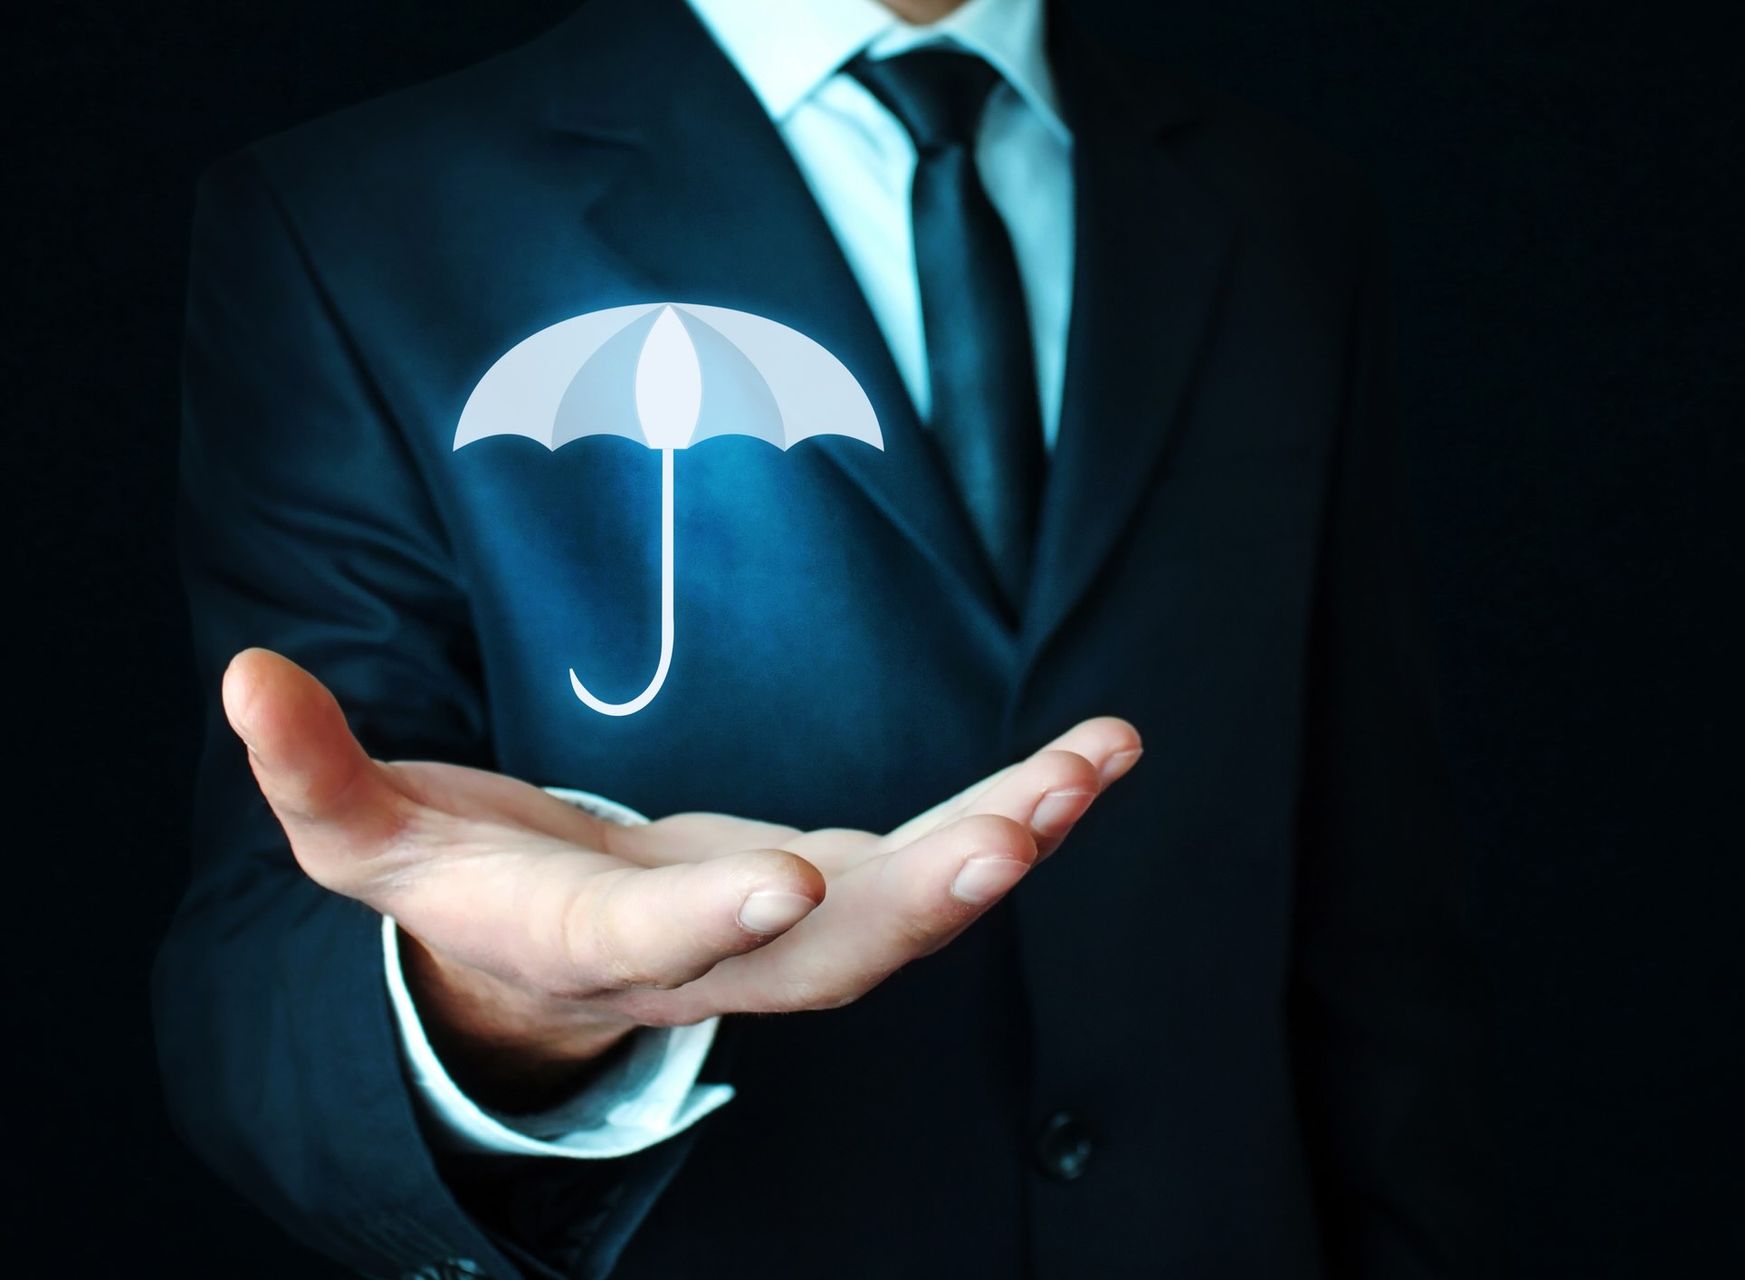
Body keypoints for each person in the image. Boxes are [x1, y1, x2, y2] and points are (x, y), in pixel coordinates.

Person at [153, 0, 1492, 1276]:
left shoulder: (1287, 212)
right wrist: (505, 1002)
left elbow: (1370, 896)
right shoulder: (359, 217)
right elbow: (266, 965)